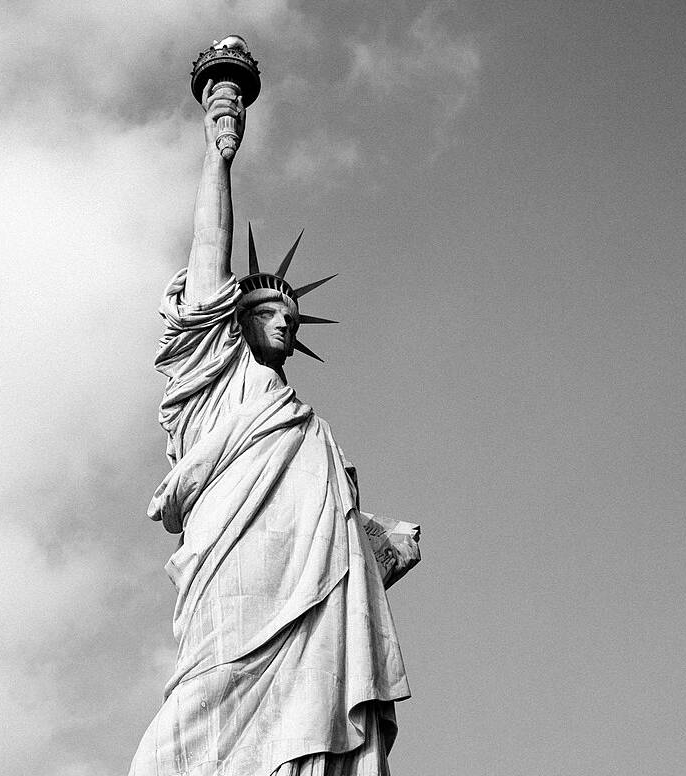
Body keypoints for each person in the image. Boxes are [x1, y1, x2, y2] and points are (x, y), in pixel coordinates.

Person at [129, 79, 412, 776]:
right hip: (233, 577)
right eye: (265, 311)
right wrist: (218, 153)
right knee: (183, 736)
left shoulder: (309, 428)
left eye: (290, 315)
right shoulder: (217, 385)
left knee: (308, 715)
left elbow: (332, 535)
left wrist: (376, 544)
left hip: (309, 597)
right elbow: (208, 259)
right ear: (230, 322)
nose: (284, 320)